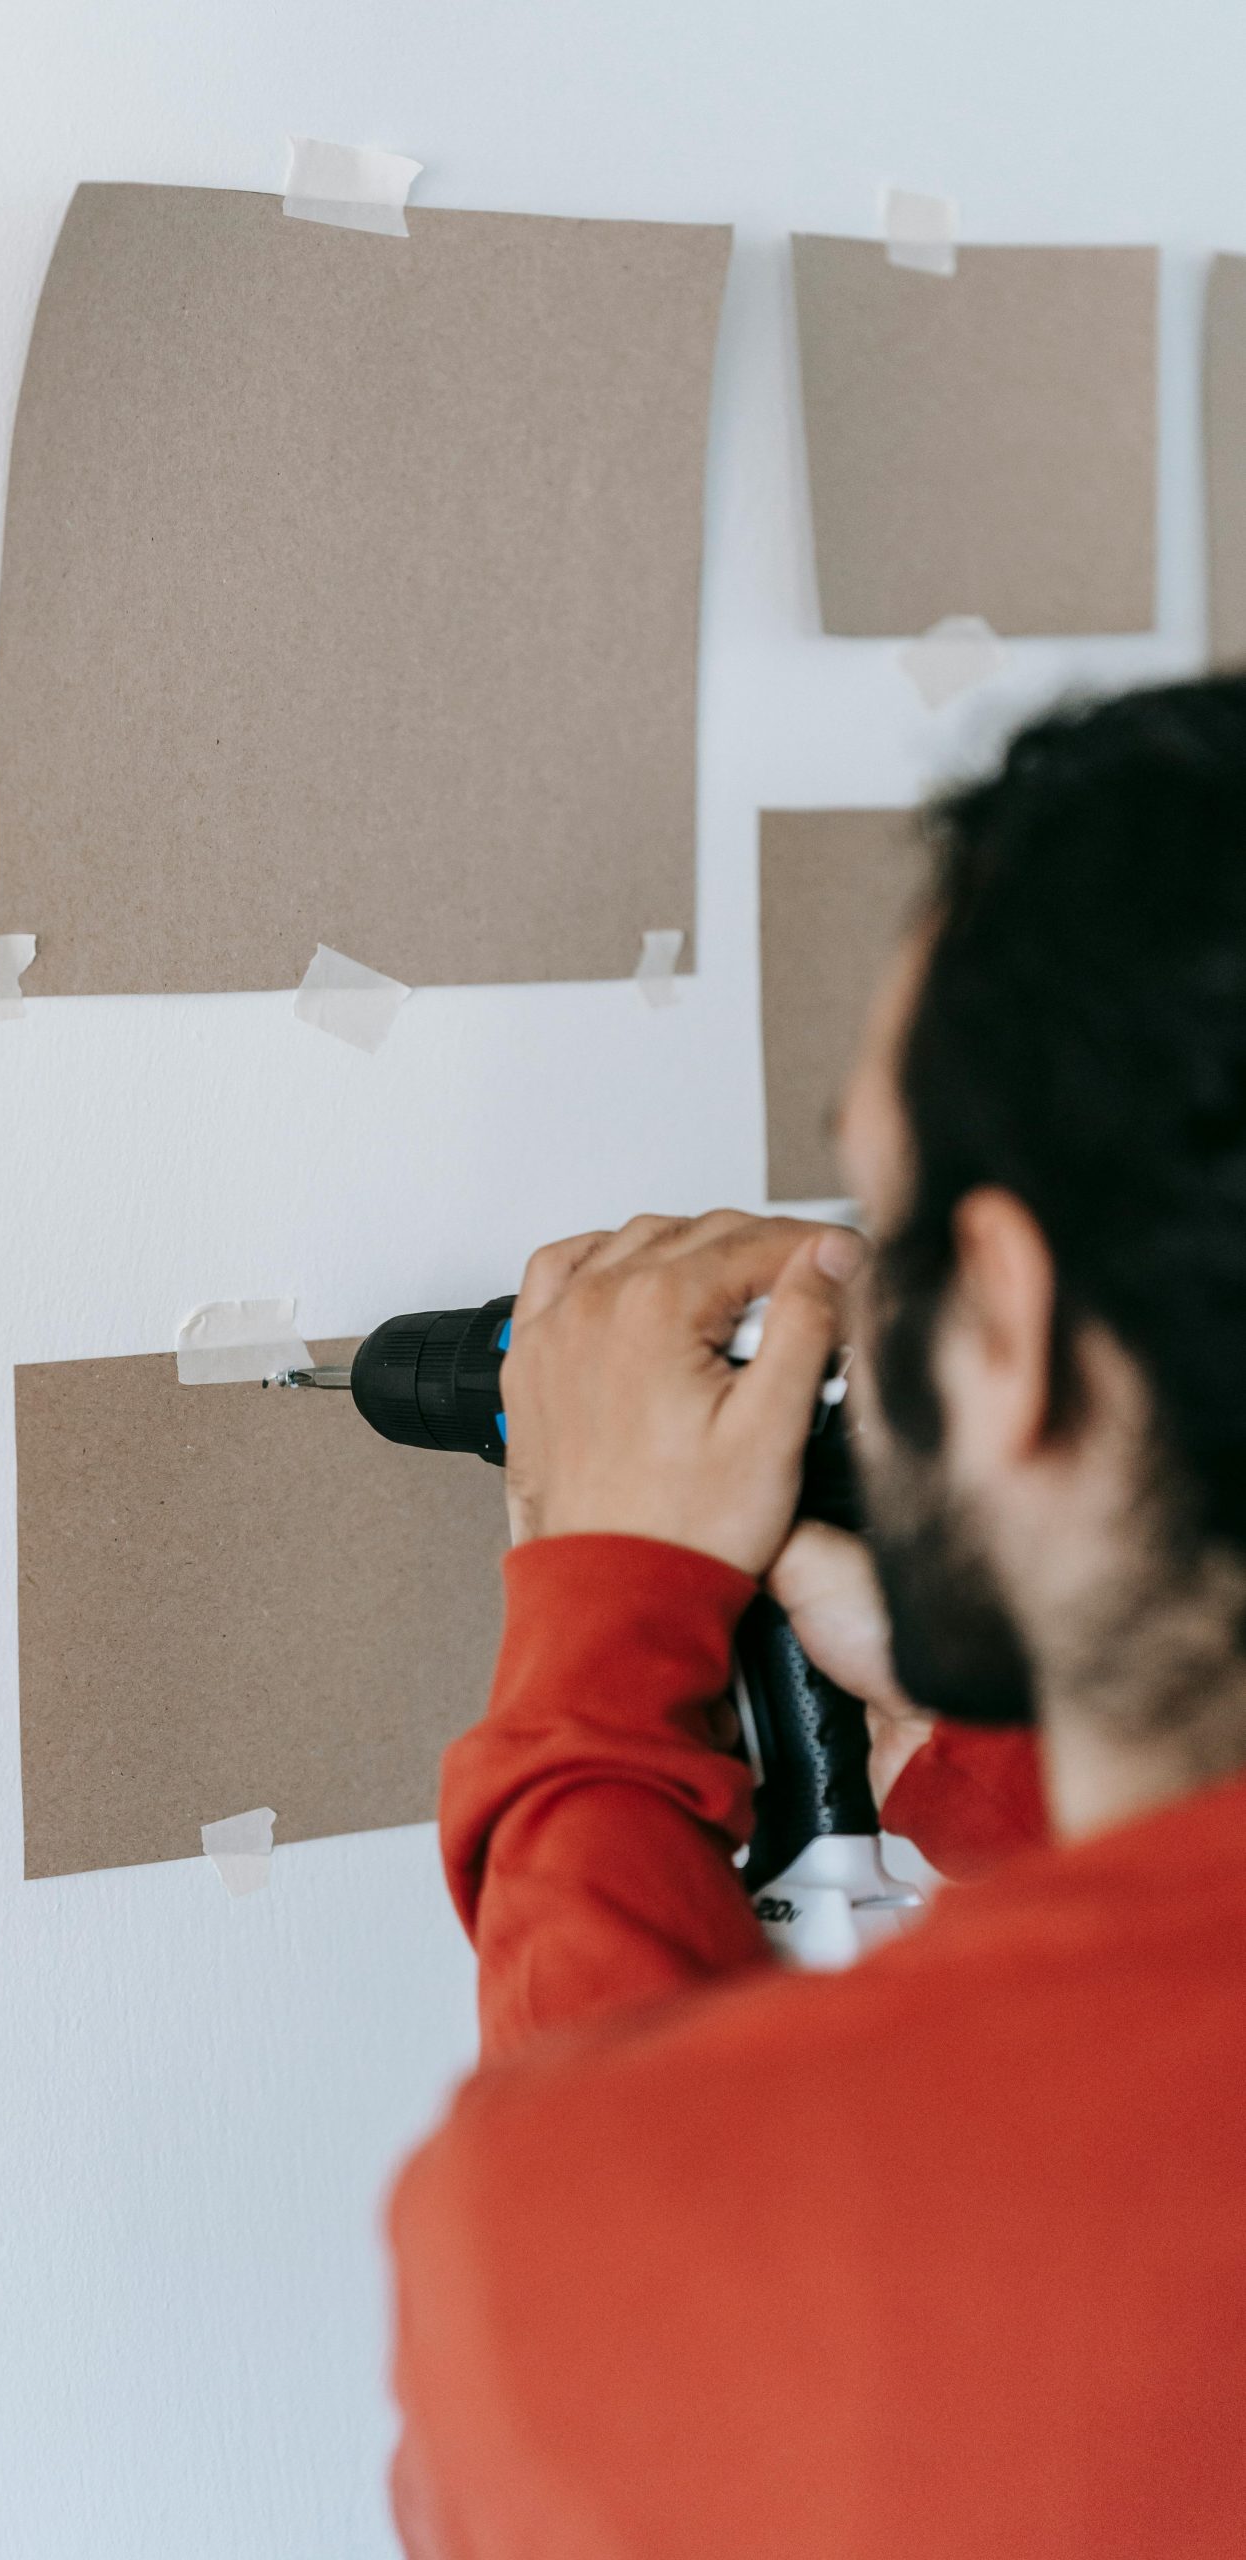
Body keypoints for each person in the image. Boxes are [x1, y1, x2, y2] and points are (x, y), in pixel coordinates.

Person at [386, 674, 1246, 2560]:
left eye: (881, 1220)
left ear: (1005, 1332)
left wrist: (603, 1627)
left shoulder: (671, 2249)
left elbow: (620, 2286)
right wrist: (994, 1754)